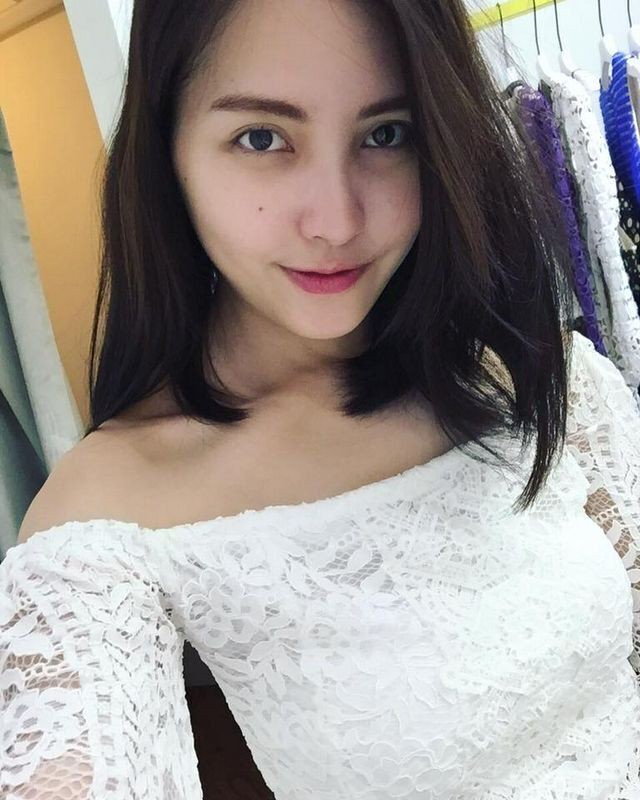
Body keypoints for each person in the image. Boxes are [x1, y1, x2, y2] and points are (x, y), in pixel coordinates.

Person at [2, 0, 640, 798]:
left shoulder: (530, 369)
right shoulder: (109, 512)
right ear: (167, 152)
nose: (337, 222)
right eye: (262, 138)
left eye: (386, 134)